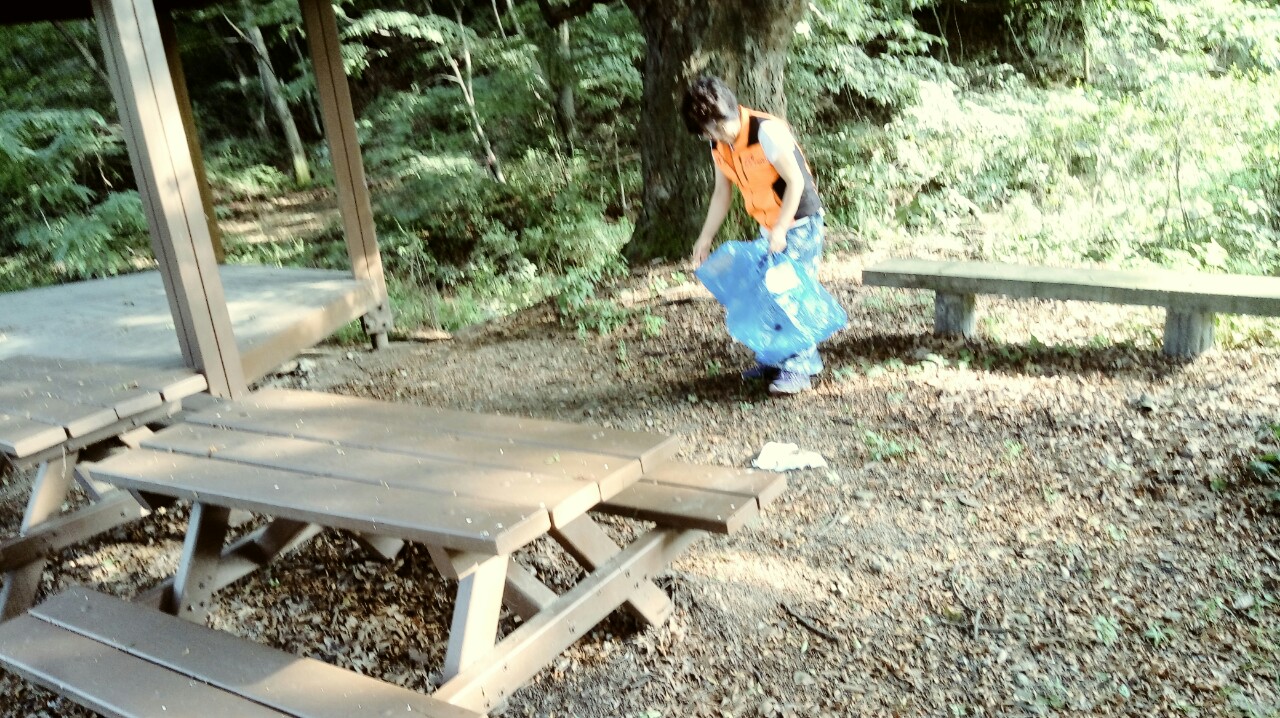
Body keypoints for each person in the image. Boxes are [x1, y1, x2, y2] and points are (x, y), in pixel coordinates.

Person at [683, 75, 829, 395]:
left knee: (791, 293)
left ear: (726, 115)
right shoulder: (718, 145)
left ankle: (799, 368)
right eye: (706, 133)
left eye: (714, 128)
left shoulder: (767, 131)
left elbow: (796, 183)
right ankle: (775, 358)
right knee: (765, 292)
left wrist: (782, 228)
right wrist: (705, 237)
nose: (713, 136)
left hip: (799, 222)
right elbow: (722, 193)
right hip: (769, 225)